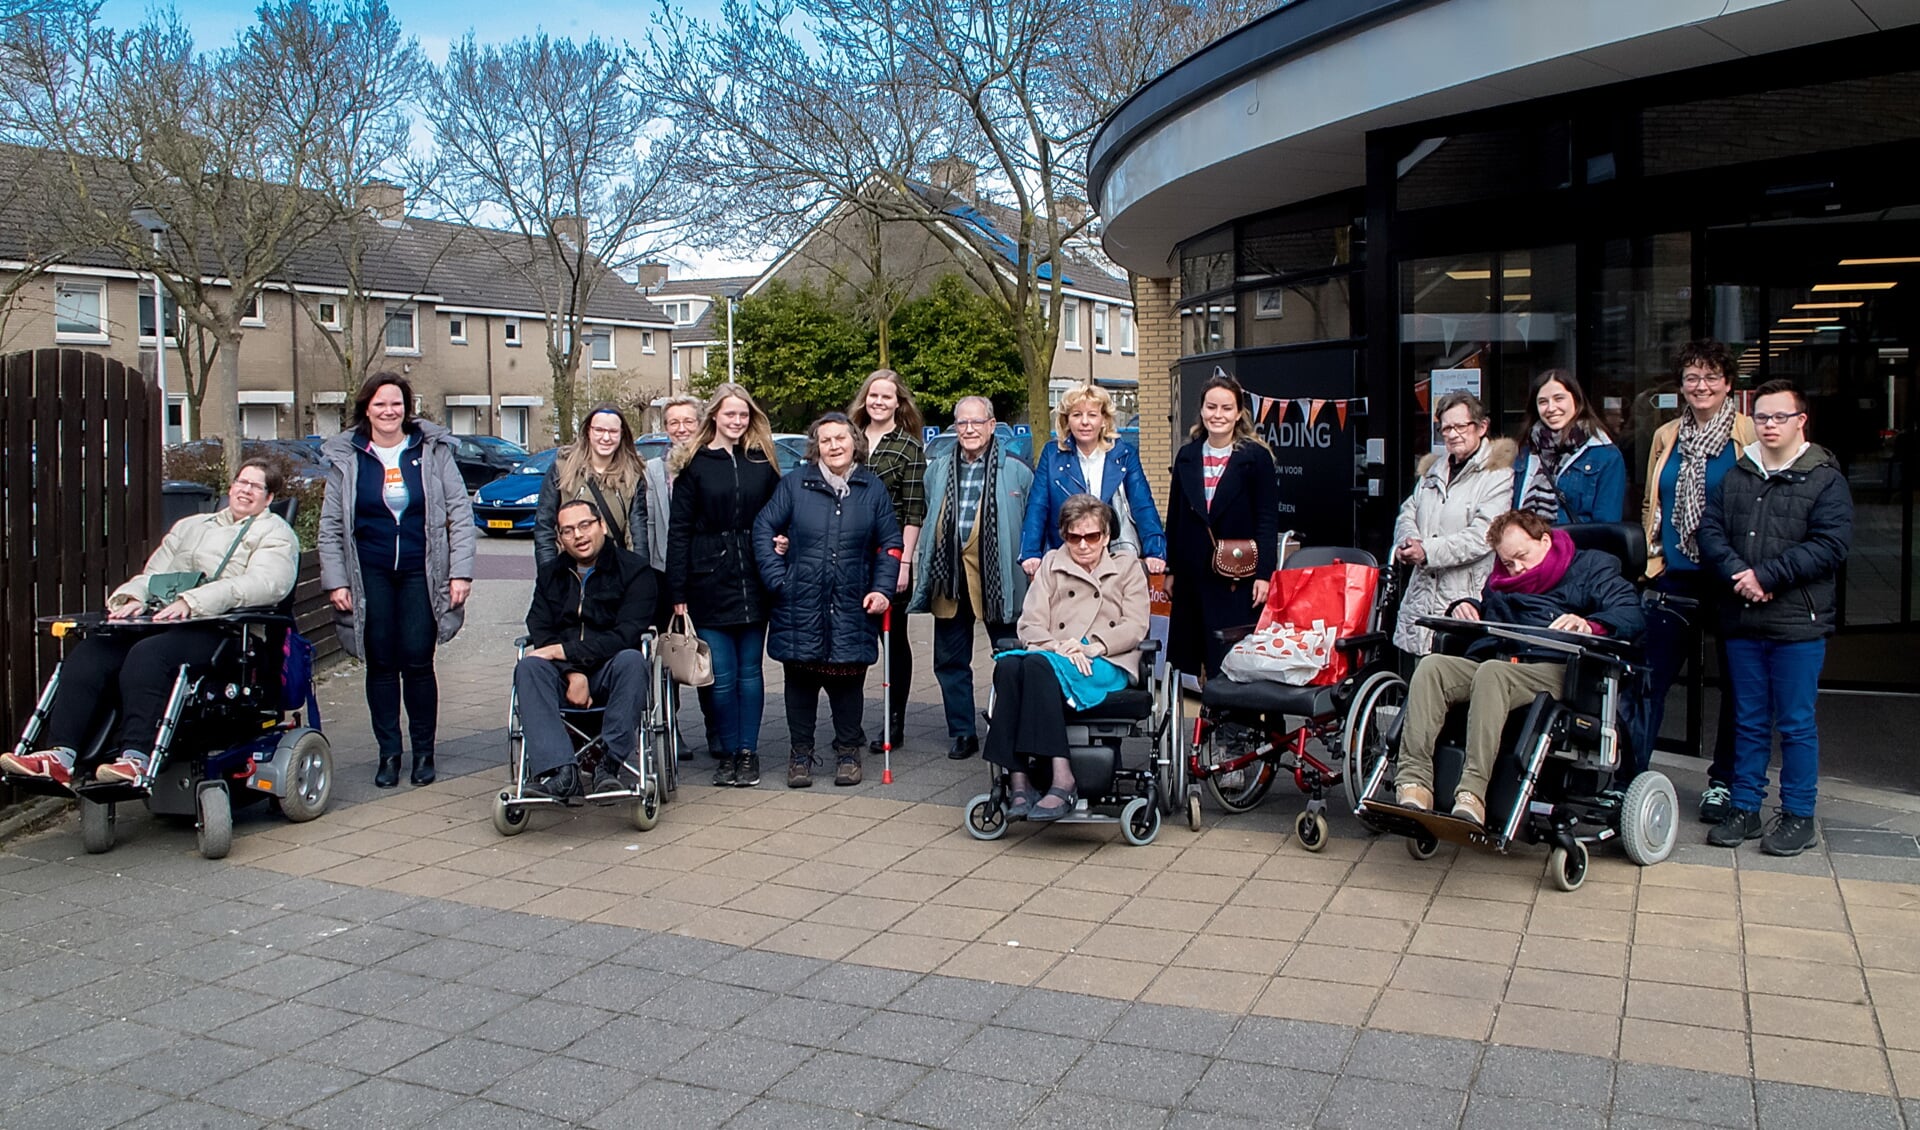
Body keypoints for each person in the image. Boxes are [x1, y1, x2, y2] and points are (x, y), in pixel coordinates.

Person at [0, 460, 299, 785]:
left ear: (269, 499)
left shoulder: (276, 534)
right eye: (242, 482)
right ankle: (60, 757)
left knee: (148, 656)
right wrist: (132, 598)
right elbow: (153, 574)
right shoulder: (192, 526)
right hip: (166, 620)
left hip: (225, 630)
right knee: (94, 651)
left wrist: (195, 600)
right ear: (231, 486)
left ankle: (136, 759)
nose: (245, 490)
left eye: (256, 487)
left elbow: (267, 583)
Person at [1394, 509, 1644, 825]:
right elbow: (1491, 616)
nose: (1516, 569)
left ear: (1545, 539)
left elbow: (1630, 614)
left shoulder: (1592, 567)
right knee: (1433, 668)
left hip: (1559, 668)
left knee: (1493, 674)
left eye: (1522, 557)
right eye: (1508, 562)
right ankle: (1414, 783)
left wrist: (1590, 625)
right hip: (1503, 658)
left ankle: (1472, 793)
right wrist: (1467, 607)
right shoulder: (1501, 581)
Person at [1696, 380, 1851, 857]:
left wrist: (1765, 577)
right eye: (1761, 417)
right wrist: (1738, 573)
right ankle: (1745, 807)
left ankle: (1799, 815)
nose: (1768, 425)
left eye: (1779, 417)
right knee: (1747, 718)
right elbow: (1709, 530)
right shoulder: (1739, 473)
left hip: (1796, 623)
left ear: (1800, 421)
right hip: (1742, 617)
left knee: (1796, 723)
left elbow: (1830, 546)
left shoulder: (1825, 478)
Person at [319, 373, 475, 789]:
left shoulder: (431, 451)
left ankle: (424, 751)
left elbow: (459, 513)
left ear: (407, 408)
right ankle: (389, 753)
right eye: (379, 404)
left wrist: (460, 571)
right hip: (368, 573)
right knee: (381, 663)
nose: (389, 412)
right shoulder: (348, 456)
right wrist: (336, 582)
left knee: (419, 661)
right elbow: (331, 527)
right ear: (365, 408)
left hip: (420, 572)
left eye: (396, 404)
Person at [754, 413, 903, 788]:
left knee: (847, 684)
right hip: (799, 599)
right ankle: (800, 754)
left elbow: (890, 545)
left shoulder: (873, 489)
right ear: (815, 446)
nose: (834, 446)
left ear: (855, 441)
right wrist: (777, 578)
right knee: (800, 682)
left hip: (853, 601)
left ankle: (848, 752)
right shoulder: (794, 485)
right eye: (825, 440)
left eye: (841, 438)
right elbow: (763, 529)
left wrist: (882, 590)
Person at [1638, 340, 1754, 810]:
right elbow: (1653, 501)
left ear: (1727, 382)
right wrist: (1654, 559)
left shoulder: (1747, 433)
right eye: (1691, 377)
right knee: (1650, 679)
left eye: (1710, 377)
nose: (1700, 386)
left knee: (1737, 686)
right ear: (1681, 386)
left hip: (1730, 578)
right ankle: (1631, 774)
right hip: (1676, 576)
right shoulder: (1667, 435)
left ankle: (1724, 782)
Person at [986, 494, 1150, 821]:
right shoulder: (1051, 563)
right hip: (1057, 653)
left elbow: (1136, 624)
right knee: (1007, 665)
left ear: (1106, 537)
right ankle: (1019, 782)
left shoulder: (1127, 566)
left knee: (1034, 665)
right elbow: (1030, 622)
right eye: (1074, 537)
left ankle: (1063, 778)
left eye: (1092, 536)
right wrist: (1056, 646)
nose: (1083, 544)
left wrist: (1094, 646)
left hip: (1105, 659)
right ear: (1064, 535)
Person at [667, 383, 781, 788]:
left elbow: (778, 515)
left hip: (754, 576)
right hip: (707, 579)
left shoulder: (762, 461)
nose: (737, 421)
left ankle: (748, 753)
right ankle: (728, 751)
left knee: (751, 672)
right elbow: (678, 531)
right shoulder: (694, 464)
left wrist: (781, 541)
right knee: (722, 674)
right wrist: (677, 592)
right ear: (714, 415)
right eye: (730, 414)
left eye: (744, 415)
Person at [907, 396, 1033, 761]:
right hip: (950, 577)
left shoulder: (1018, 472)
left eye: (977, 422)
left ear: (992, 426)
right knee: (949, 661)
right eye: (962, 424)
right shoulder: (938, 469)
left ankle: (1007, 725)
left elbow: (1030, 525)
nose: (969, 430)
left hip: (1001, 580)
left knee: (1010, 657)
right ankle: (962, 731)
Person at [514, 498, 657, 803]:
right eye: (568, 531)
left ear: (602, 526)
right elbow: (540, 628)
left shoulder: (635, 571)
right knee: (528, 666)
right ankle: (561, 773)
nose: (578, 535)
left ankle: (609, 766)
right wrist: (573, 672)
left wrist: (563, 652)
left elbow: (626, 634)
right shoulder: (551, 573)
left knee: (633, 659)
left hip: (612, 669)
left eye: (584, 525)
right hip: (563, 676)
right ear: (559, 538)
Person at [1165, 372, 1279, 679]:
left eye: (1226, 408)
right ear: (1201, 410)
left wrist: (1265, 575)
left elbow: (1267, 520)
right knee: (1194, 653)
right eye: (1212, 407)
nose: (1218, 415)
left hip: (1237, 576)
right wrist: (1170, 570)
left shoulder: (1256, 458)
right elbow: (1175, 516)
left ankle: (1232, 722)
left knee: (1231, 657)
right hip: (1192, 573)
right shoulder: (1187, 456)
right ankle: (1206, 717)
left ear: (1239, 412)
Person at [1392, 392, 1515, 655]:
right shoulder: (1432, 471)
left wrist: (1427, 550)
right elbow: (1407, 512)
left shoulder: (1497, 475)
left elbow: (1484, 535)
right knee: (1417, 677)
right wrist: (1408, 543)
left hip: (1463, 596)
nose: (1452, 434)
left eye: (1461, 426)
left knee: (1452, 675)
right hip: (1421, 594)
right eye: (1446, 428)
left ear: (1482, 427)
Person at [847, 370, 926, 754]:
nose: (878, 402)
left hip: (889, 555)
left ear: (899, 403)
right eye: (873, 396)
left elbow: (914, 511)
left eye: (886, 397)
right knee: (850, 640)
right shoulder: (848, 440)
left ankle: (894, 722)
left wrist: (904, 563)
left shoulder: (908, 447)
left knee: (893, 642)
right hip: (848, 554)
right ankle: (850, 723)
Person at [1021, 383, 1165, 576]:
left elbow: (1142, 505)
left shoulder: (1124, 454)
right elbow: (1038, 506)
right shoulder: (1051, 454)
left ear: (1104, 419)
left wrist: (1155, 550)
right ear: (1067, 421)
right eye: (1077, 415)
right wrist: (1030, 552)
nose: (1085, 422)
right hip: (1066, 556)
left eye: (1092, 414)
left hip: (1114, 557)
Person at [645, 395, 708, 761]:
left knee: (708, 651)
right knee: (672, 654)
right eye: (673, 422)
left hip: (708, 574)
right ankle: (671, 727)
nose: (681, 429)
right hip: (665, 574)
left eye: (688, 421)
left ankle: (717, 727)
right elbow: (650, 523)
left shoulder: (713, 462)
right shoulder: (654, 471)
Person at [534, 404, 650, 573]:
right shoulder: (562, 469)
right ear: (588, 431)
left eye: (612, 431)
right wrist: (548, 574)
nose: (606, 437)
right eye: (599, 430)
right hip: (570, 571)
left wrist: (639, 577)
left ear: (622, 434)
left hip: (615, 572)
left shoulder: (633, 476)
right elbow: (544, 526)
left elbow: (637, 533)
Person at [1510, 369, 1627, 525]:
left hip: (1578, 547)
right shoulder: (1525, 451)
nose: (1551, 408)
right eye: (1543, 402)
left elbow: (1607, 524)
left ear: (1576, 401)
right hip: (1527, 546)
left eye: (1559, 399)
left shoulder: (1605, 455)